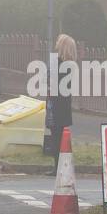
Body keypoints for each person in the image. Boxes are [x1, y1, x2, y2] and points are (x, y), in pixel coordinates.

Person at [43, 32, 77, 173]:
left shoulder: (59, 63)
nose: (56, 43)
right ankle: (59, 167)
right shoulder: (70, 64)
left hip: (56, 104)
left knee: (56, 136)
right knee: (58, 136)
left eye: (58, 41)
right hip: (62, 104)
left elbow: (52, 81)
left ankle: (57, 168)